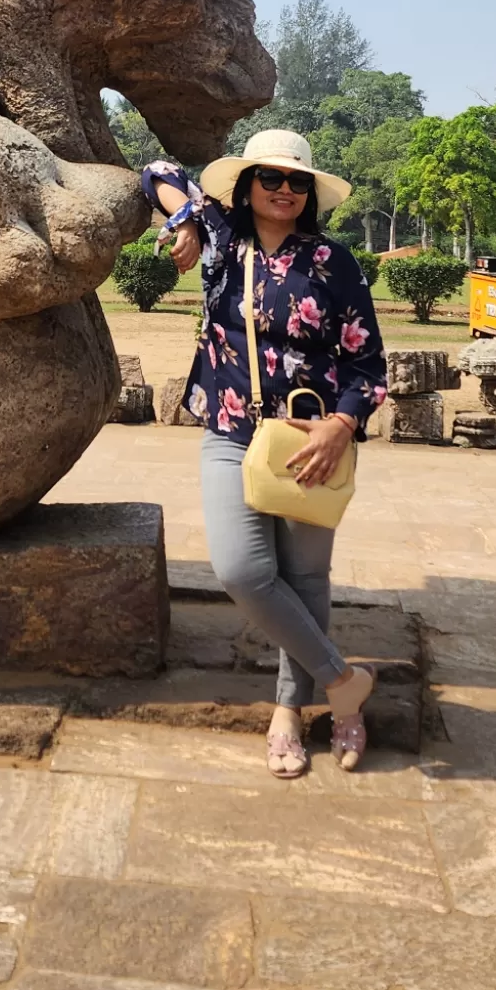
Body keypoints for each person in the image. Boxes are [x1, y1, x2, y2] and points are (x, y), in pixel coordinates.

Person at [143, 129, 388, 776]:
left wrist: (341, 425)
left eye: (296, 181)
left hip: (310, 439)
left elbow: (368, 365)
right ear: (246, 185)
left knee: (304, 580)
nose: (283, 190)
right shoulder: (223, 239)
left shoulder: (332, 263)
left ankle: (293, 710)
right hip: (229, 428)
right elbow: (156, 168)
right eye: (270, 178)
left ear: (308, 193)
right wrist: (186, 220)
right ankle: (343, 681)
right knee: (242, 572)